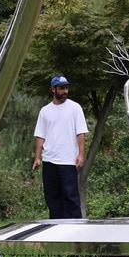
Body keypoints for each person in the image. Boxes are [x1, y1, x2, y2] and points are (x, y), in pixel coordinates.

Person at [32, 74, 87, 219]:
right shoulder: (45, 111)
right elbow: (40, 136)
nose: (65, 91)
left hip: (68, 160)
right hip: (49, 160)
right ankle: (56, 226)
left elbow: (81, 133)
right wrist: (37, 158)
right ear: (53, 89)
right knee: (52, 198)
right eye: (61, 88)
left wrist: (81, 155)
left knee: (70, 196)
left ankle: (76, 227)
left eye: (66, 88)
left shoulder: (75, 108)